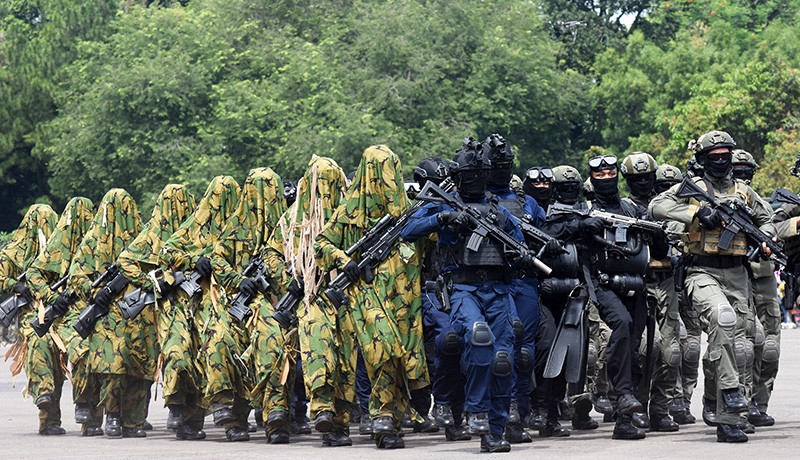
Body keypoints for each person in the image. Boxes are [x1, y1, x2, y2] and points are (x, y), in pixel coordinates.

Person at [401, 139, 532, 453]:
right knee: (478, 337)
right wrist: (443, 219)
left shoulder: (498, 210)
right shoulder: (445, 203)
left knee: (503, 360)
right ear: (459, 176)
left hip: (498, 290)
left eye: (479, 173)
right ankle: (476, 410)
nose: (475, 179)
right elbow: (408, 230)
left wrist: (521, 254)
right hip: (463, 289)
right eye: (469, 174)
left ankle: (494, 432)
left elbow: (520, 243)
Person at [650, 130, 776, 443]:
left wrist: (766, 239)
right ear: (703, 159)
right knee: (723, 317)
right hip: (701, 270)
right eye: (714, 156)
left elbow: (768, 220)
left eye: (725, 156)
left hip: (738, 273)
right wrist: (697, 212)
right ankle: (730, 390)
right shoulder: (692, 188)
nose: (721, 161)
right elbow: (656, 206)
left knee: (739, 345)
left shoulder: (744, 192)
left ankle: (727, 419)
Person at [315, 145, 428, 449]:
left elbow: (431, 241)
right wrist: (344, 262)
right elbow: (321, 243)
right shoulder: (350, 209)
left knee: (400, 359)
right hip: (363, 294)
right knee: (383, 349)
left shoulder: (410, 211)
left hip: (404, 300)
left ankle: (389, 422)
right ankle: (381, 416)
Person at [263, 155, 353, 446]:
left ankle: (338, 425)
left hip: (344, 298)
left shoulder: (350, 216)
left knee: (345, 362)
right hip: (306, 298)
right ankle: (312, 410)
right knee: (313, 346)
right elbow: (271, 253)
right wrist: (287, 279)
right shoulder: (293, 217)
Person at [582, 154, 668, 440]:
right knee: (621, 324)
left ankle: (624, 420)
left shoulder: (632, 209)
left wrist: (658, 235)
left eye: (610, 174)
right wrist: (582, 228)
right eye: (600, 175)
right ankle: (622, 395)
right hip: (602, 284)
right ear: (592, 179)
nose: (606, 179)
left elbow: (659, 252)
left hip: (636, 284)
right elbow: (560, 233)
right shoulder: (586, 210)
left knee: (632, 349)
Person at [160, 176, 241, 441]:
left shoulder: (241, 228)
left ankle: (232, 419)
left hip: (229, 301)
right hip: (191, 303)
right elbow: (167, 251)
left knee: (224, 352)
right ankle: (188, 420)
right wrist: (194, 260)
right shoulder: (194, 226)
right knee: (187, 355)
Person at [209, 168, 287, 442]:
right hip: (236, 302)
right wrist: (238, 280)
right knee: (223, 345)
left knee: (272, 344)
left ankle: (276, 416)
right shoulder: (235, 226)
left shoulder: (288, 228)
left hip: (276, 303)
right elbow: (217, 259)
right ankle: (233, 418)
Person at [113, 184, 196, 437]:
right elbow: (125, 260)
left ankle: (182, 415)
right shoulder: (151, 233)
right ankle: (135, 419)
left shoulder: (194, 232)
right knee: (147, 363)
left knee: (184, 355)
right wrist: (151, 283)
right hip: (155, 308)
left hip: (187, 304)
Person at [483, 134, 548, 443]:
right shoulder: (475, 200)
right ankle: (496, 412)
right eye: (497, 165)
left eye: (506, 165)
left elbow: (547, 237)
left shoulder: (527, 203)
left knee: (524, 354)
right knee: (500, 352)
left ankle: (519, 414)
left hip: (525, 281)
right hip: (493, 282)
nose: (502, 170)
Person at [67, 189, 142, 437]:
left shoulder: (141, 240)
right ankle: (109, 414)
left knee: (136, 367)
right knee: (112, 362)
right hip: (103, 313)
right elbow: (77, 275)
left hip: (134, 312)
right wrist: (95, 292)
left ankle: (132, 420)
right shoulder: (91, 242)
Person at [620, 153, 681, 432]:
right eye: (636, 178)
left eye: (647, 177)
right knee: (645, 349)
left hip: (667, 281)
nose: (643, 182)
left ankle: (660, 408)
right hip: (638, 283)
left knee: (672, 352)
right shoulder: (623, 208)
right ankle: (638, 405)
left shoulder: (667, 206)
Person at [0, 204, 59, 434]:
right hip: (28, 314)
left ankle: (52, 421)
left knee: (56, 364)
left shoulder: (58, 251)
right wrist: (14, 285)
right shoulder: (13, 252)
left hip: (56, 312)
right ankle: (44, 403)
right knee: (39, 344)